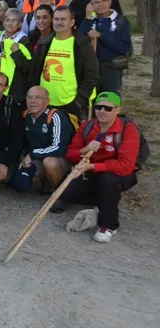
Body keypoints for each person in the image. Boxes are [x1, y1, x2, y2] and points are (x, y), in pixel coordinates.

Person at [58, 92, 140, 242]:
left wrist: (93, 166)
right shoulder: (88, 126)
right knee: (66, 193)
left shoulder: (128, 130)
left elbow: (126, 165)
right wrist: (85, 149)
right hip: (92, 170)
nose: (102, 111)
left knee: (108, 181)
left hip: (117, 173)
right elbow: (70, 154)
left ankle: (108, 226)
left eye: (108, 108)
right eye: (99, 107)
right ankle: (103, 203)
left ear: (117, 110)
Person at [30, 6, 98, 123]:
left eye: (63, 19)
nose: (59, 22)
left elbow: (91, 75)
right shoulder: (44, 43)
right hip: (44, 103)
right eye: (56, 19)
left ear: (72, 22)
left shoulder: (81, 44)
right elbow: (34, 71)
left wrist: (78, 101)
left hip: (70, 104)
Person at [22, 86, 75, 193]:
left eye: (38, 97)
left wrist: (32, 155)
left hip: (60, 158)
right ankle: (45, 181)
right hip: (38, 157)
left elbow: (59, 148)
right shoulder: (25, 115)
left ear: (47, 101)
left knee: (49, 163)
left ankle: (62, 193)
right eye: (30, 97)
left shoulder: (55, 116)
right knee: (21, 182)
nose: (33, 101)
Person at [77, 0, 131, 95]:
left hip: (111, 69)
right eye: (96, 2)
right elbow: (78, 41)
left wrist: (100, 35)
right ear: (91, 5)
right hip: (90, 68)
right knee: (89, 100)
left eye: (104, 1)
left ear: (109, 2)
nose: (100, 4)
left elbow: (124, 47)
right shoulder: (89, 20)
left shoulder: (121, 21)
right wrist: (87, 18)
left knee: (109, 100)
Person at [0, 8, 32, 102]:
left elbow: (26, 67)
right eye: (7, 20)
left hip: (15, 87)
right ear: (3, 22)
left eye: (14, 20)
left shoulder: (24, 41)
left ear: (19, 24)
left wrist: (16, 52)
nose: (10, 23)